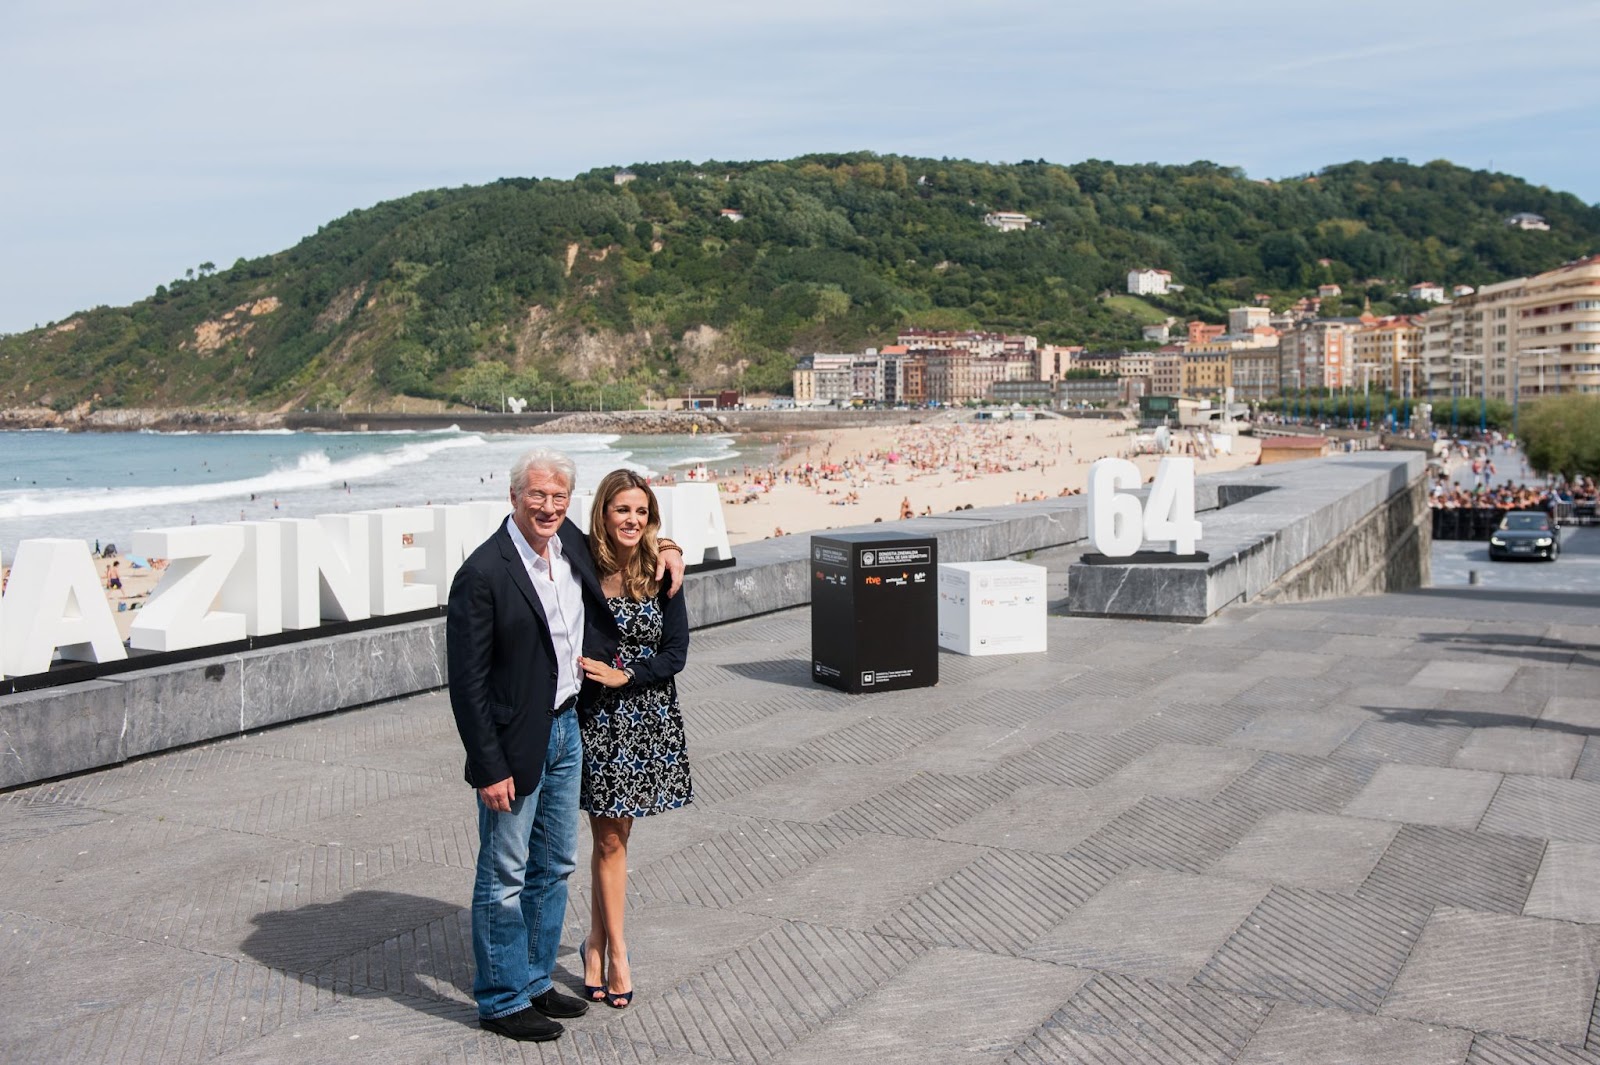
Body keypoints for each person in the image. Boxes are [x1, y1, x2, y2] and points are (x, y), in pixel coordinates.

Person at [446, 449, 683, 1043]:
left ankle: (532, 978)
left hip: (567, 728)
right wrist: (487, 764)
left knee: (554, 865)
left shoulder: (568, 546)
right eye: (537, 496)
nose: (548, 507)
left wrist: (671, 547)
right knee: (504, 870)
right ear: (513, 497)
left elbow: (630, 531)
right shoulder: (484, 572)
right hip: (516, 741)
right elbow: (467, 683)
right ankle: (501, 999)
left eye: (558, 497)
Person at [574, 471, 693, 1012]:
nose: (632, 520)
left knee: (618, 839)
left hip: (646, 717)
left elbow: (676, 654)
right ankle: (618, 952)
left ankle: (594, 943)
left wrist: (630, 675)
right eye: (622, 509)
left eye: (641, 512)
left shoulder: (660, 571)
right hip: (597, 720)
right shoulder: (583, 567)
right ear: (603, 512)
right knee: (609, 842)